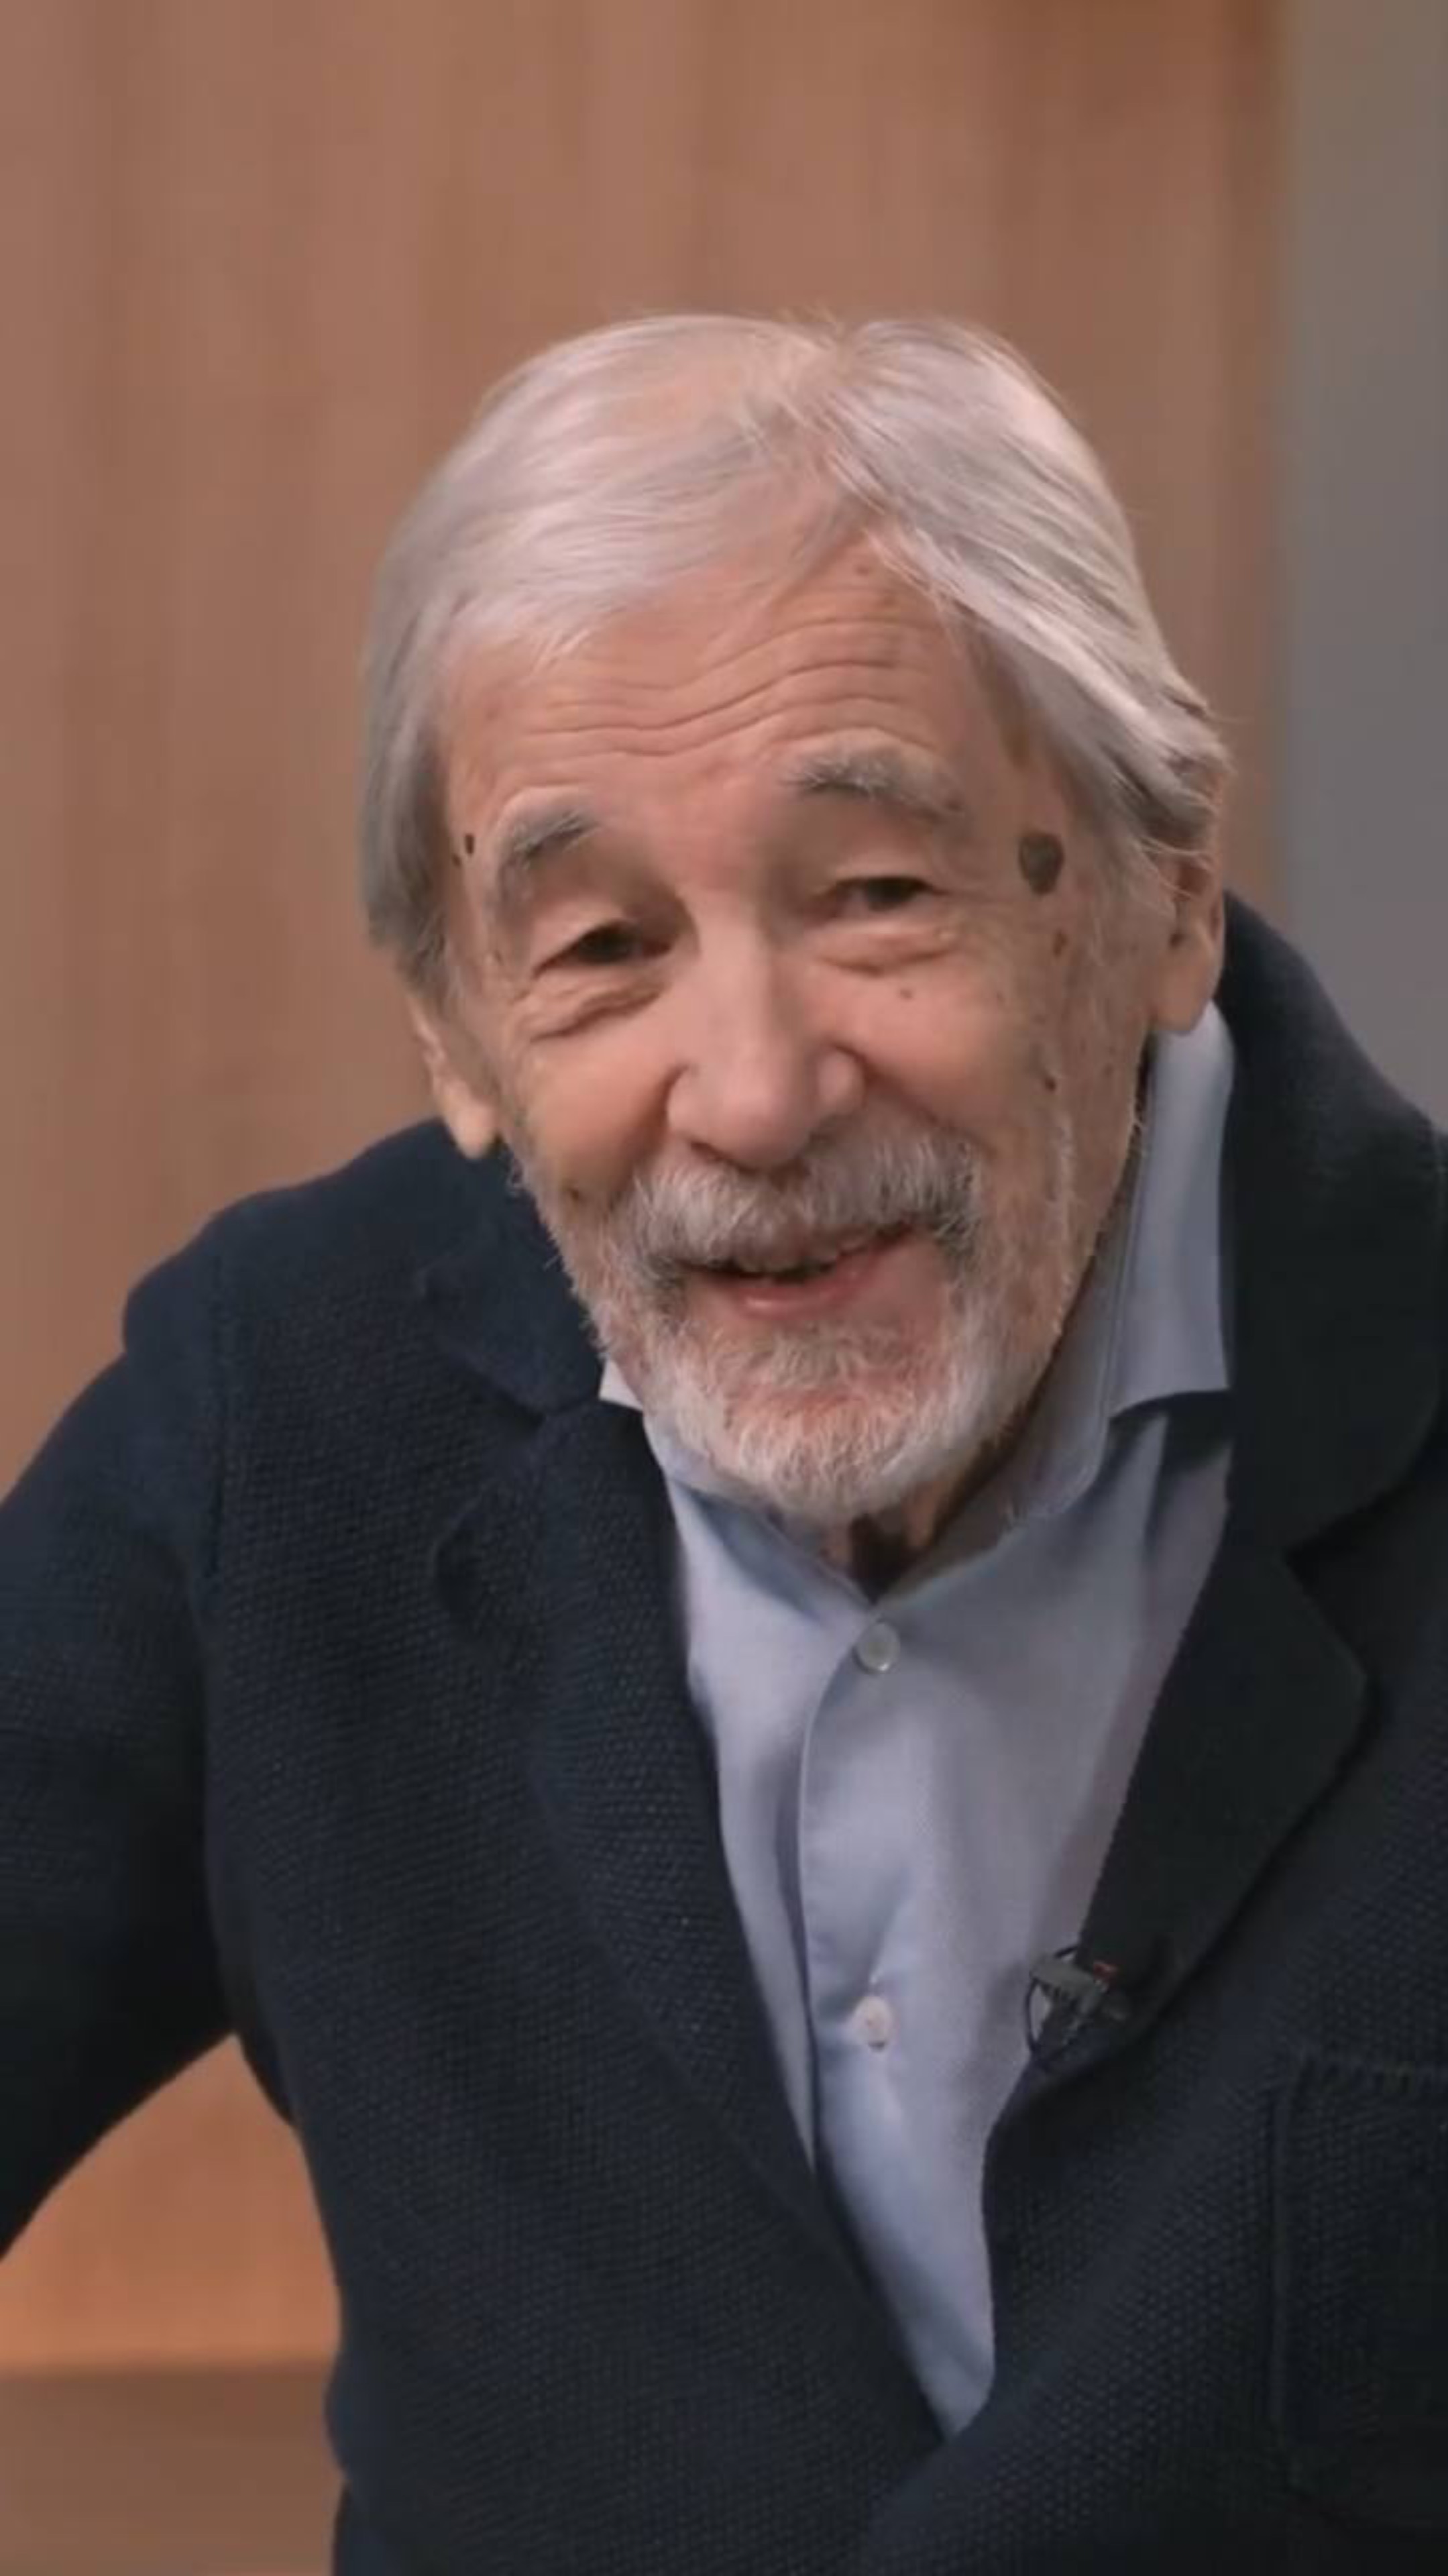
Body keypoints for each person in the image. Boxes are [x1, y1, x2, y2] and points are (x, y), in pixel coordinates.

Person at [3, 315, 1445, 2576]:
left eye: (878, 894)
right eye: (600, 945)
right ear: (455, 1034)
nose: (755, 1094)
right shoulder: (275, 1413)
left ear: (1162, 888)